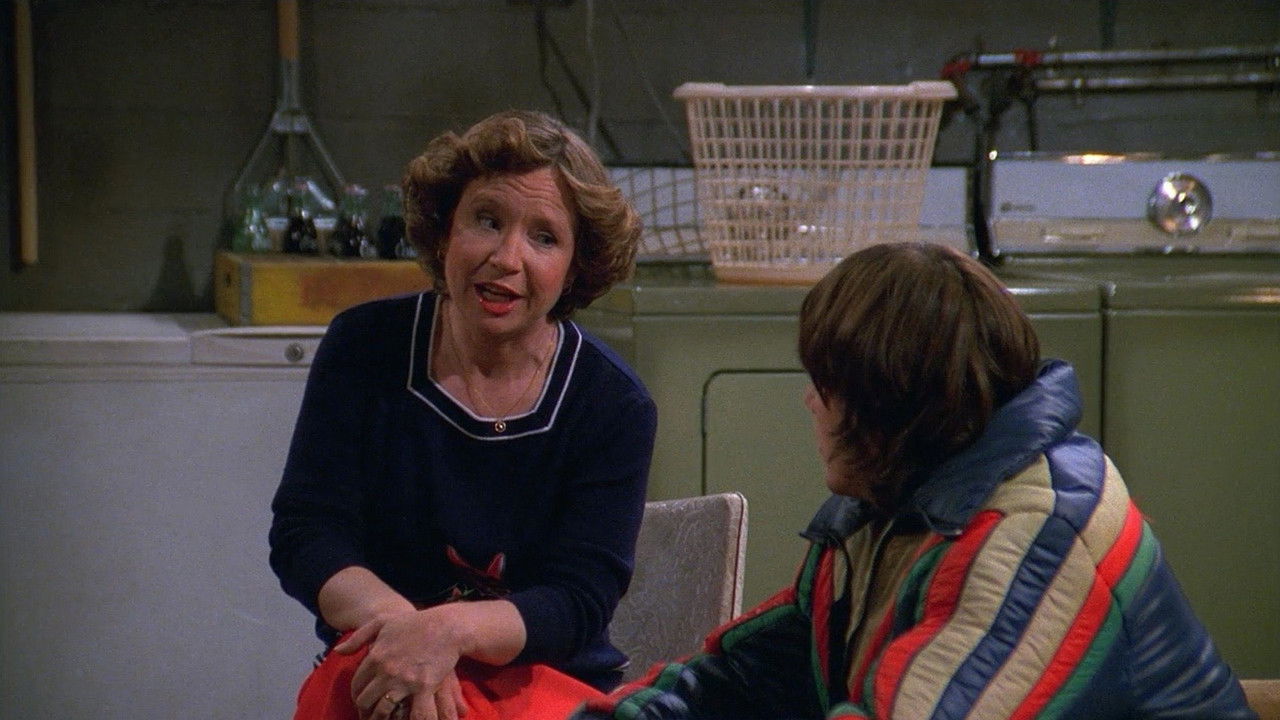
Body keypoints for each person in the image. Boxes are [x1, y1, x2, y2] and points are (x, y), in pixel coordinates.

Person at [573, 242, 1254, 720]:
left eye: (825, 385)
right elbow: (749, 678)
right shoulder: (894, 503)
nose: (809, 402)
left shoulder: (1037, 535)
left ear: (885, 404)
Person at [269, 109, 657, 720]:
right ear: (445, 227)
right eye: (487, 220)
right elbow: (307, 534)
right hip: (379, 661)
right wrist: (405, 632)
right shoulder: (364, 347)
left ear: (576, 268)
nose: (507, 257)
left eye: (544, 238)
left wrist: (446, 633)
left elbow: (578, 599)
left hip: (542, 679)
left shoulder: (613, 404)